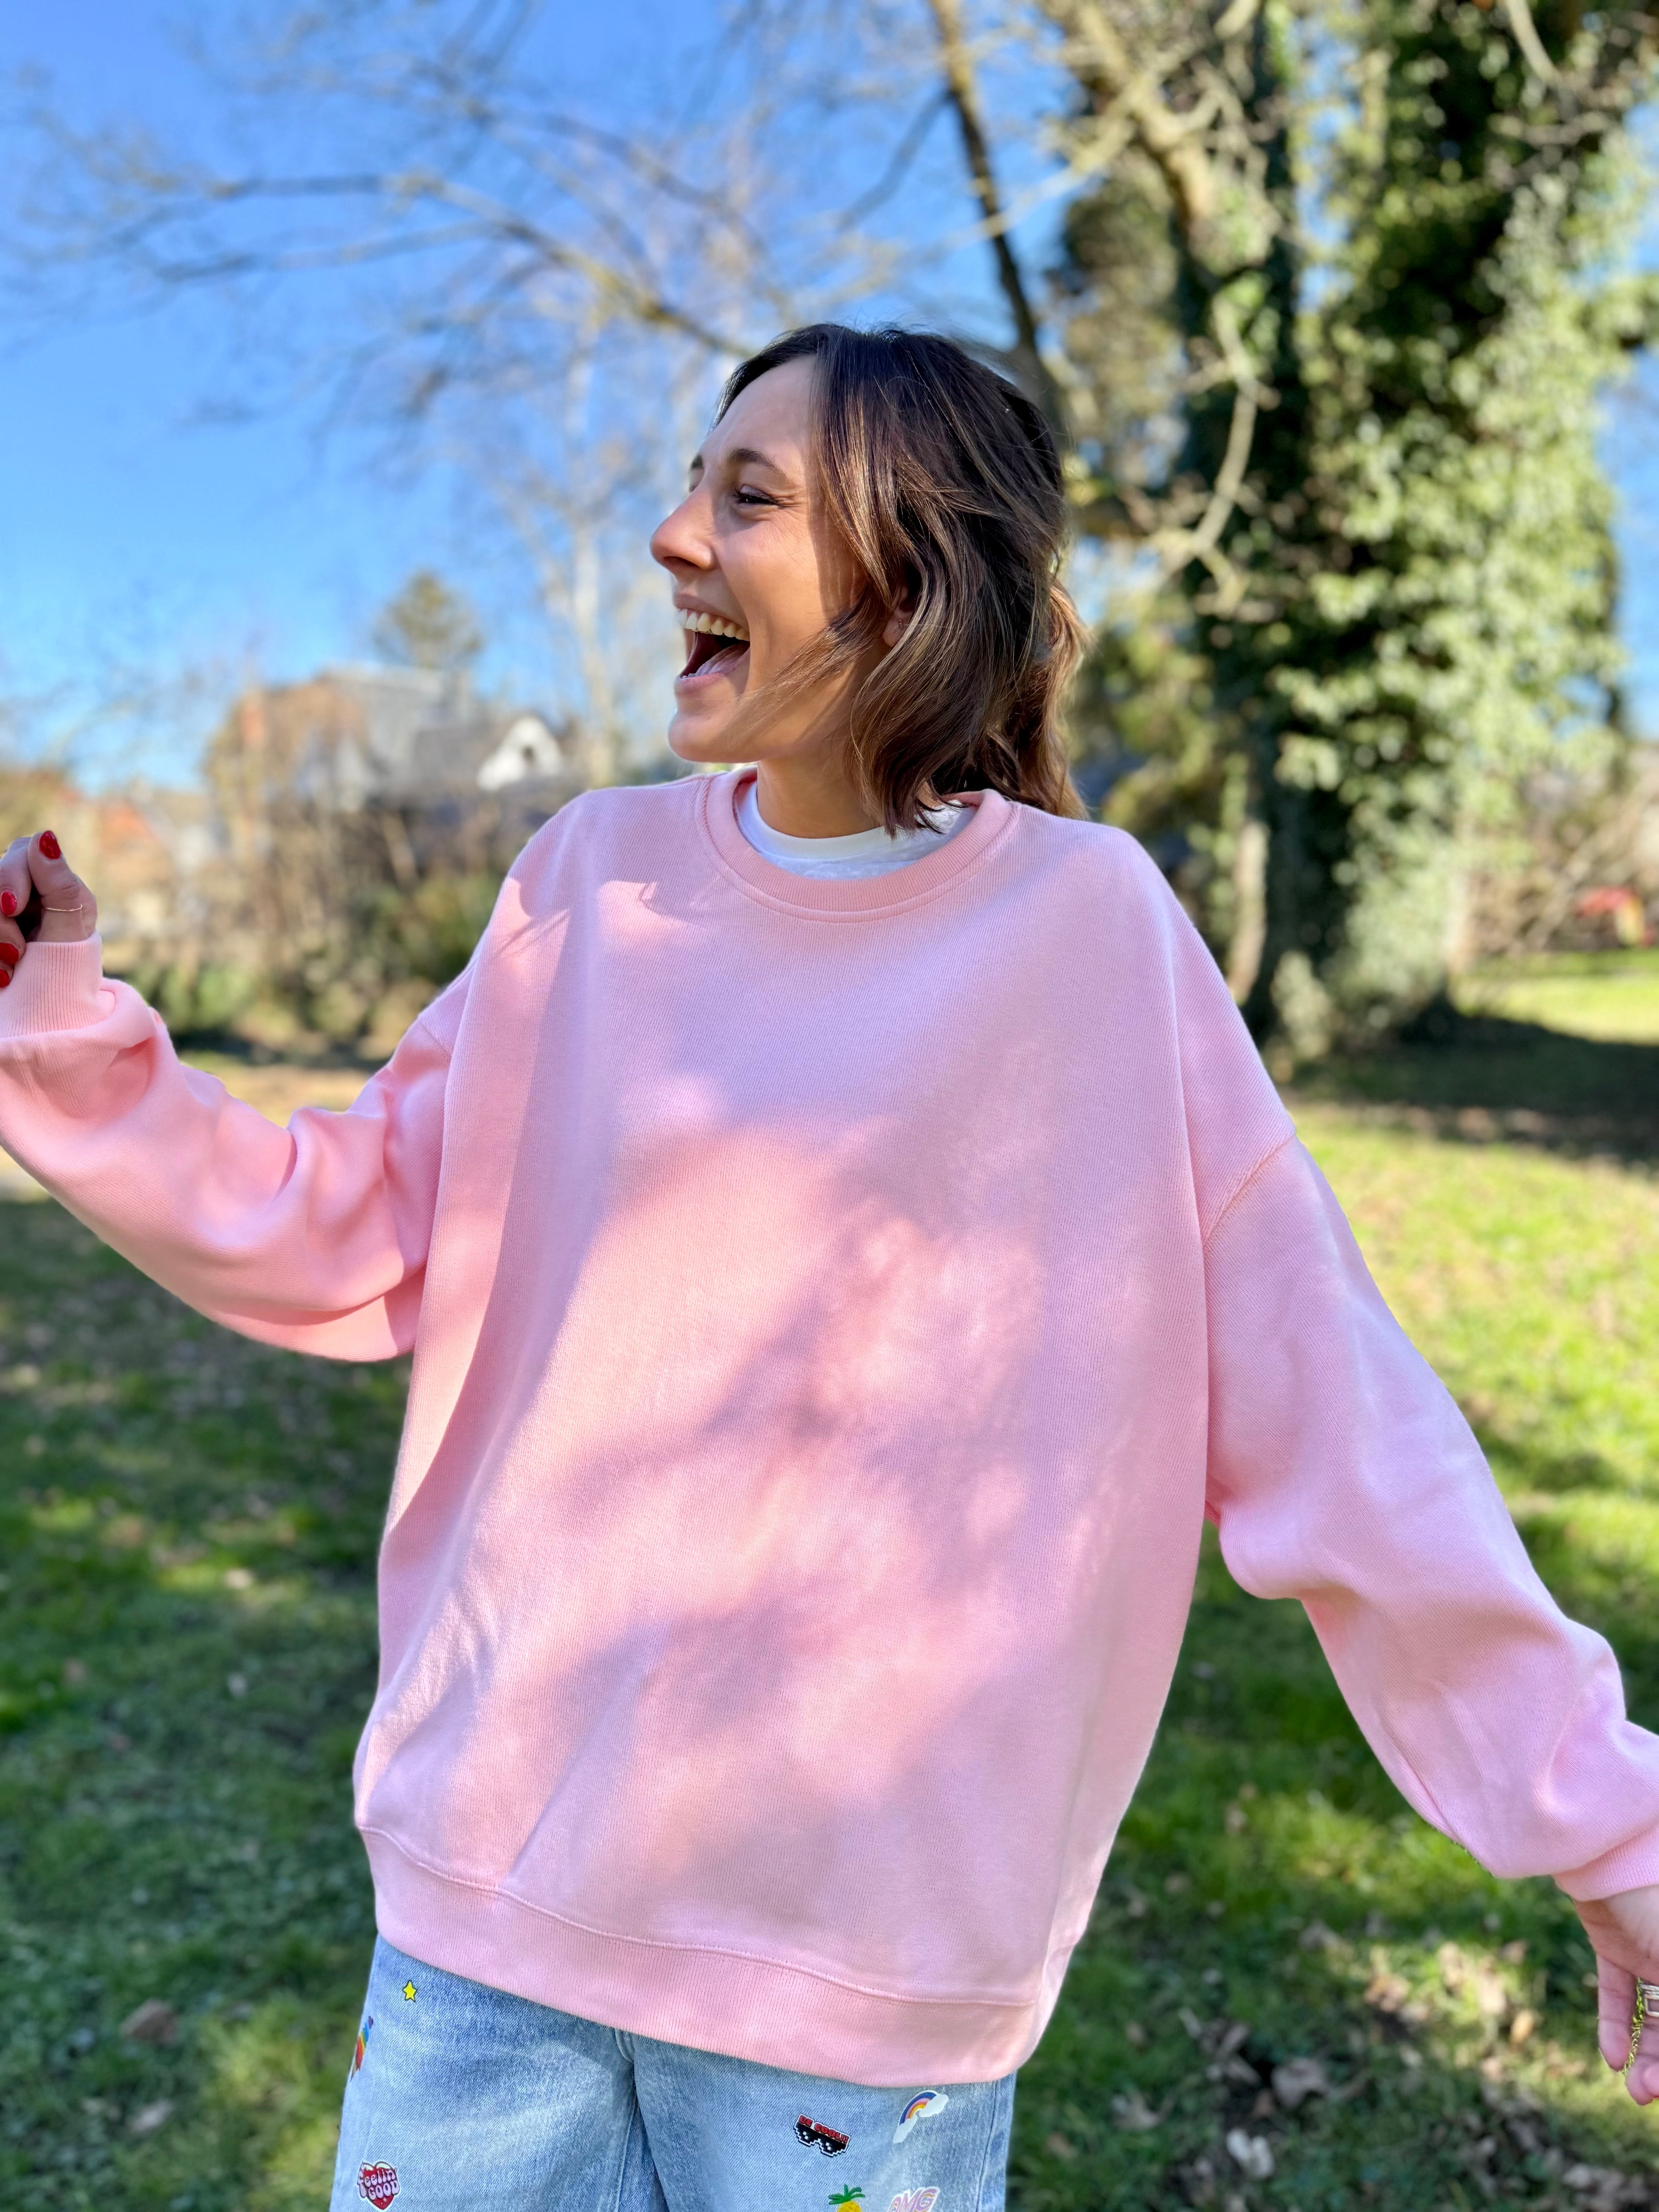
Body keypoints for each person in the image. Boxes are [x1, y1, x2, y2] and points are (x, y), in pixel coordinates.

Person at [1, 322, 1657, 2211]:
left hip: (869, 1989)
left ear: (911, 570)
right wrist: (60, 1027)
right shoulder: (584, 883)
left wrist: (1609, 1825)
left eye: (749, 496)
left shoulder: (1094, 939)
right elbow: (344, 1222)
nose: (671, 536)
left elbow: (1341, 1427)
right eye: (693, 484)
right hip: (489, 1920)